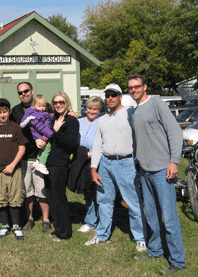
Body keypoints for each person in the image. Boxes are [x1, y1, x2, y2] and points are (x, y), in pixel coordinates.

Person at [128, 74, 185, 275]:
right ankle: (155, 251)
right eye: (130, 87)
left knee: (169, 219)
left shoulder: (157, 103)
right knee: (151, 216)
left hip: (162, 170)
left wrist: (174, 161)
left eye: (137, 86)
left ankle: (177, 261)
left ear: (144, 87)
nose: (133, 90)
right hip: (144, 171)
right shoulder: (135, 112)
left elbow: (175, 132)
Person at [85, 84, 146, 251]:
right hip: (105, 163)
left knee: (132, 202)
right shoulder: (102, 119)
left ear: (120, 96)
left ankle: (140, 237)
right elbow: (97, 145)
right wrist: (94, 168)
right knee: (104, 201)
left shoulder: (130, 113)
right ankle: (101, 235)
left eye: (113, 95)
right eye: (107, 95)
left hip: (126, 163)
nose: (110, 98)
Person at [0, 98, 28, 240]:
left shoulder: (15, 127)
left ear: (9, 112)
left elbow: (22, 147)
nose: (2, 115)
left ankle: (16, 225)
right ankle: (4, 225)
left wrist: (13, 164)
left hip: (13, 169)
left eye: (4, 112)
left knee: (15, 197)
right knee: (0, 198)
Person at [10, 82, 52, 233]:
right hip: (24, 156)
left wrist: (71, 113)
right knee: (27, 191)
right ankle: (30, 218)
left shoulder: (44, 106)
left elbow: (55, 118)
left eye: (26, 91)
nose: (23, 94)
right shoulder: (15, 111)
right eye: (20, 92)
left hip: (40, 157)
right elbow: (16, 130)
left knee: (41, 190)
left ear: (32, 91)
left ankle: (46, 220)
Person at [44, 92, 79, 242]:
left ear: (67, 103)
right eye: (55, 102)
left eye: (61, 102)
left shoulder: (71, 121)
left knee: (59, 198)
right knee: (51, 198)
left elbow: (71, 144)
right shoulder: (53, 119)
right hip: (49, 164)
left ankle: (65, 233)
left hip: (60, 164)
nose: (58, 104)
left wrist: (57, 132)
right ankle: (59, 229)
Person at [68, 96, 103, 233]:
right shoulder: (79, 121)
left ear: (100, 110)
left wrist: (94, 153)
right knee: (88, 192)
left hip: (98, 160)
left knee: (99, 192)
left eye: (95, 109)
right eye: (89, 108)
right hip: (81, 160)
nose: (92, 111)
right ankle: (90, 221)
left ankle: (100, 220)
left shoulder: (102, 122)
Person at [20, 94, 53, 175]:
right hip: (39, 135)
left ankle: (38, 161)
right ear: (34, 105)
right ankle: (41, 163)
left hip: (43, 134)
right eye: (40, 106)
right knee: (48, 147)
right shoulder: (34, 115)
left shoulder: (42, 113)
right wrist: (50, 134)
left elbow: (47, 116)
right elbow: (40, 127)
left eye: (44, 106)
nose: (42, 108)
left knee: (43, 148)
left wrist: (52, 115)